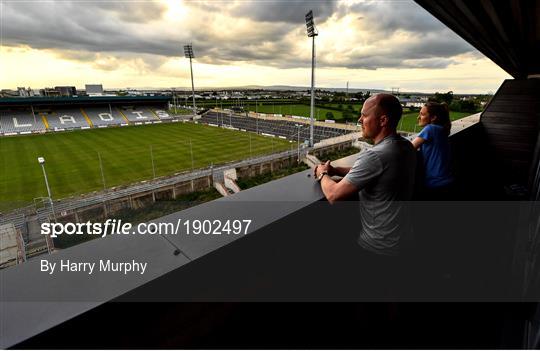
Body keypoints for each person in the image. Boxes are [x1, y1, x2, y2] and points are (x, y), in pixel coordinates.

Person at [314, 94, 416, 257]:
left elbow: (334, 195)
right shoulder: (405, 145)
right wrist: (337, 170)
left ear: (383, 121)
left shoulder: (375, 155)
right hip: (404, 238)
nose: (359, 120)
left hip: (379, 245)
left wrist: (322, 173)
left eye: (365, 115)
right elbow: (375, 172)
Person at [411, 102, 454, 199]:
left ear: (433, 118)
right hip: (446, 180)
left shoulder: (431, 129)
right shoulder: (441, 129)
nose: (418, 117)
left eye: (422, 114)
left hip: (436, 183)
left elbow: (410, 148)